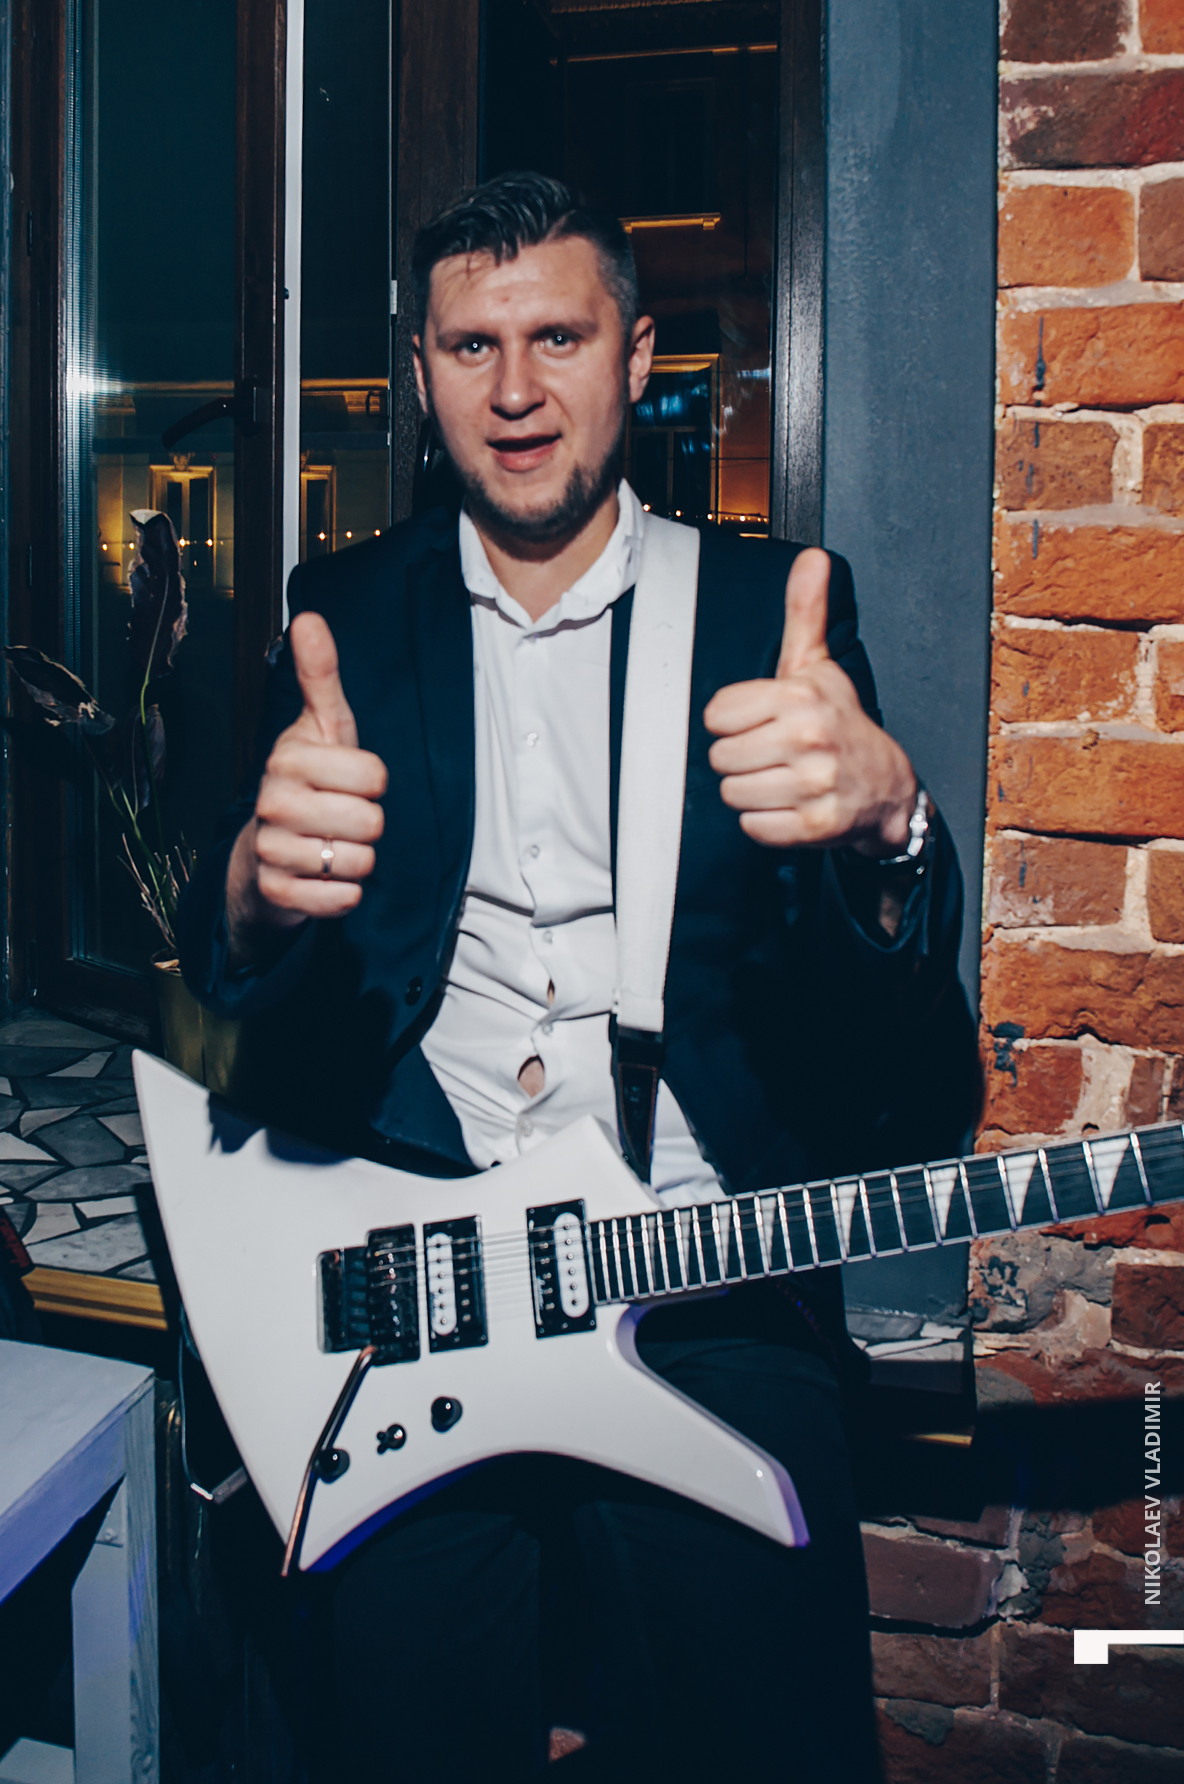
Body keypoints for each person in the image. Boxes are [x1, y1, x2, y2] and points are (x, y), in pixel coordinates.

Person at [178, 172, 979, 1782]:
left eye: (559, 337)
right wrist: (257, 896)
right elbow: (229, 975)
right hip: (422, 1290)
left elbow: (899, 1056)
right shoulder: (344, 617)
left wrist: (891, 828)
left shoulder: (765, 614)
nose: (517, 391)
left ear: (637, 354)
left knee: (776, 1738)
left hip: (704, 1277)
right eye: (472, 347)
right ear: (421, 375)